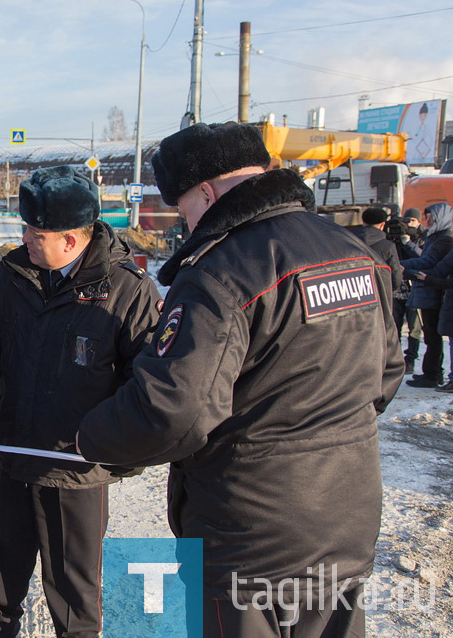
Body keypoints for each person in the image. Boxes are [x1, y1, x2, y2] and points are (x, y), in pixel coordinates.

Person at [76, 122, 404, 637]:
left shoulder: (220, 273)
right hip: (345, 516)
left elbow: (173, 411)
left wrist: (90, 437)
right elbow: (385, 375)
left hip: (248, 534)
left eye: (182, 206)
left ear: (205, 191)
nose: (185, 222)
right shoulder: (351, 250)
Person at [0, 166, 161, 638]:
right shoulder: (16, 275)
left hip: (77, 465)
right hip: (16, 450)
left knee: (73, 580)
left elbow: (150, 383)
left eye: (35, 233)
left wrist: (122, 447)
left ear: (70, 241)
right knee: (1, 561)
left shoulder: (128, 293)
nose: (25, 239)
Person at [401, 203, 453, 388]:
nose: (427, 220)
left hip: (434, 290)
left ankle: (432, 374)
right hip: (429, 287)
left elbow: (431, 262)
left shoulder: (444, 239)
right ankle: (431, 372)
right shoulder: (435, 237)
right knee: (430, 334)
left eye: (431, 217)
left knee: (432, 335)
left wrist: (403, 267)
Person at [392, 208, 424, 373]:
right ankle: (396, 359)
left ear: (419, 222)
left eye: (412, 220)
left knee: (414, 329)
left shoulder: (422, 238)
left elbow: (423, 257)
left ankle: (410, 359)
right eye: (405, 221)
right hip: (397, 290)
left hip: (414, 291)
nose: (408, 224)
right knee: (394, 327)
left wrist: (408, 242)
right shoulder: (395, 238)